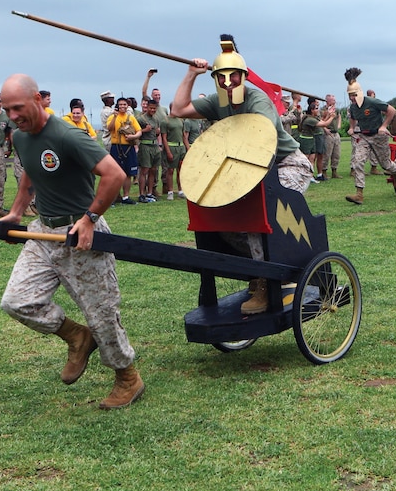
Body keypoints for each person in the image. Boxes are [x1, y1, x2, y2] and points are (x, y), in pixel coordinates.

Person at [0, 73, 143, 410]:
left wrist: (89, 219)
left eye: (18, 107)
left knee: (102, 313)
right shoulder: (21, 137)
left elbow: (114, 175)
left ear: (38, 99)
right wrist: (16, 213)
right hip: (43, 232)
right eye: (7, 110)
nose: (13, 116)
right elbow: (31, 173)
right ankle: (77, 337)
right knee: (17, 301)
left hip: (81, 234)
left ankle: (128, 377)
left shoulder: (68, 135)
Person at [170, 35, 314, 314]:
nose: (228, 83)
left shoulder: (257, 100)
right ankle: (263, 270)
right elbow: (178, 109)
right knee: (226, 223)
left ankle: (266, 280)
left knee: (261, 216)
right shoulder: (216, 102)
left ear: (243, 76)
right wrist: (191, 74)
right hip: (247, 169)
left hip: (286, 164)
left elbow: (264, 142)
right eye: (221, 77)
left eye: (233, 76)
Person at [340, 68, 396, 204]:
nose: (351, 98)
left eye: (353, 94)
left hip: (378, 136)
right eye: (349, 95)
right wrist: (351, 128)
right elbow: (352, 117)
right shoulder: (352, 107)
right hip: (363, 136)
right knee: (358, 161)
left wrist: (383, 126)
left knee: (385, 164)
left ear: (359, 93)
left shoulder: (372, 102)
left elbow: (391, 110)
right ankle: (359, 194)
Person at [105, 97, 142, 205]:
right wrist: (114, 117)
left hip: (128, 147)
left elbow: (139, 131)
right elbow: (109, 128)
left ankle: (126, 197)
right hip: (116, 147)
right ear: (117, 106)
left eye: (124, 105)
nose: (122, 107)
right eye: (120, 105)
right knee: (116, 173)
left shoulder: (131, 117)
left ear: (127, 106)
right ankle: (113, 198)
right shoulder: (112, 117)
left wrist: (133, 136)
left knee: (128, 173)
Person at [135, 98, 161, 203]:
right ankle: (142, 193)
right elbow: (135, 132)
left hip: (154, 146)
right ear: (147, 107)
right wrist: (144, 130)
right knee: (144, 170)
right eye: (151, 108)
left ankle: (150, 193)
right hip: (145, 145)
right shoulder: (141, 119)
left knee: (153, 170)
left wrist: (158, 133)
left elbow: (156, 133)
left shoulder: (156, 119)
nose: (152, 110)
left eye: (154, 109)